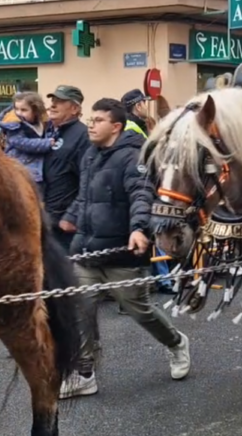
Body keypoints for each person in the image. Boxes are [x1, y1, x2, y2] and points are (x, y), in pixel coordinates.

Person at [59, 98, 190, 399]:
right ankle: (84, 373)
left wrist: (138, 229)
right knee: (80, 311)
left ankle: (176, 343)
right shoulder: (90, 155)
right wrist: (68, 218)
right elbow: (85, 197)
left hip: (123, 254)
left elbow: (142, 194)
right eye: (90, 119)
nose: (91, 124)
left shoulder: (134, 156)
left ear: (116, 126)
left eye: (98, 120)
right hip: (87, 252)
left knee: (140, 311)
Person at [45, 85, 90, 251]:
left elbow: (88, 180)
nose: (52, 105)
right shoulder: (48, 132)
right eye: (52, 100)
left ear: (75, 108)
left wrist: (74, 215)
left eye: (60, 101)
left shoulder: (82, 136)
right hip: (45, 221)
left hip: (65, 225)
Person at [0, 91, 57, 193]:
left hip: (38, 171)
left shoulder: (43, 122)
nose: (19, 113)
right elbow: (22, 143)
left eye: (24, 110)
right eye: (17, 109)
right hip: (21, 170)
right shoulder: (14, 125)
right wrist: (46, 143)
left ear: (35, 110)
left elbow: (49, 133)